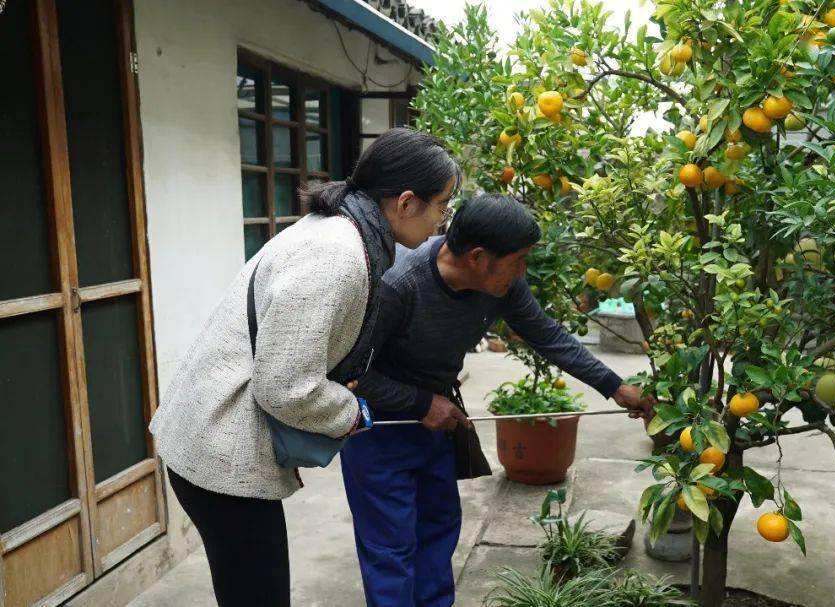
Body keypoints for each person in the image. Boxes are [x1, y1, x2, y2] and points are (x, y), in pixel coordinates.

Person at [148, 128, 463, 607]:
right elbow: (285, 387)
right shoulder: (337, 256)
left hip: (213, 436)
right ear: (404, 202)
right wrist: (353, 411)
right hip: (219, 449)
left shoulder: (343, 231)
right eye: (441, 205)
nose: (442, 220)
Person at [342, 194, 655, 607]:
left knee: (438, 529)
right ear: (477, 256)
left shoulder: (500, 283)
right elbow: (349, 374)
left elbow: (547, 335)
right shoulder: (399, 285)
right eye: (519, 259)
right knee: (391, 549)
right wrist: (421, 405)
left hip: (437, 422)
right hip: (381, 431)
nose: (523, 270)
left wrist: (614, 386)